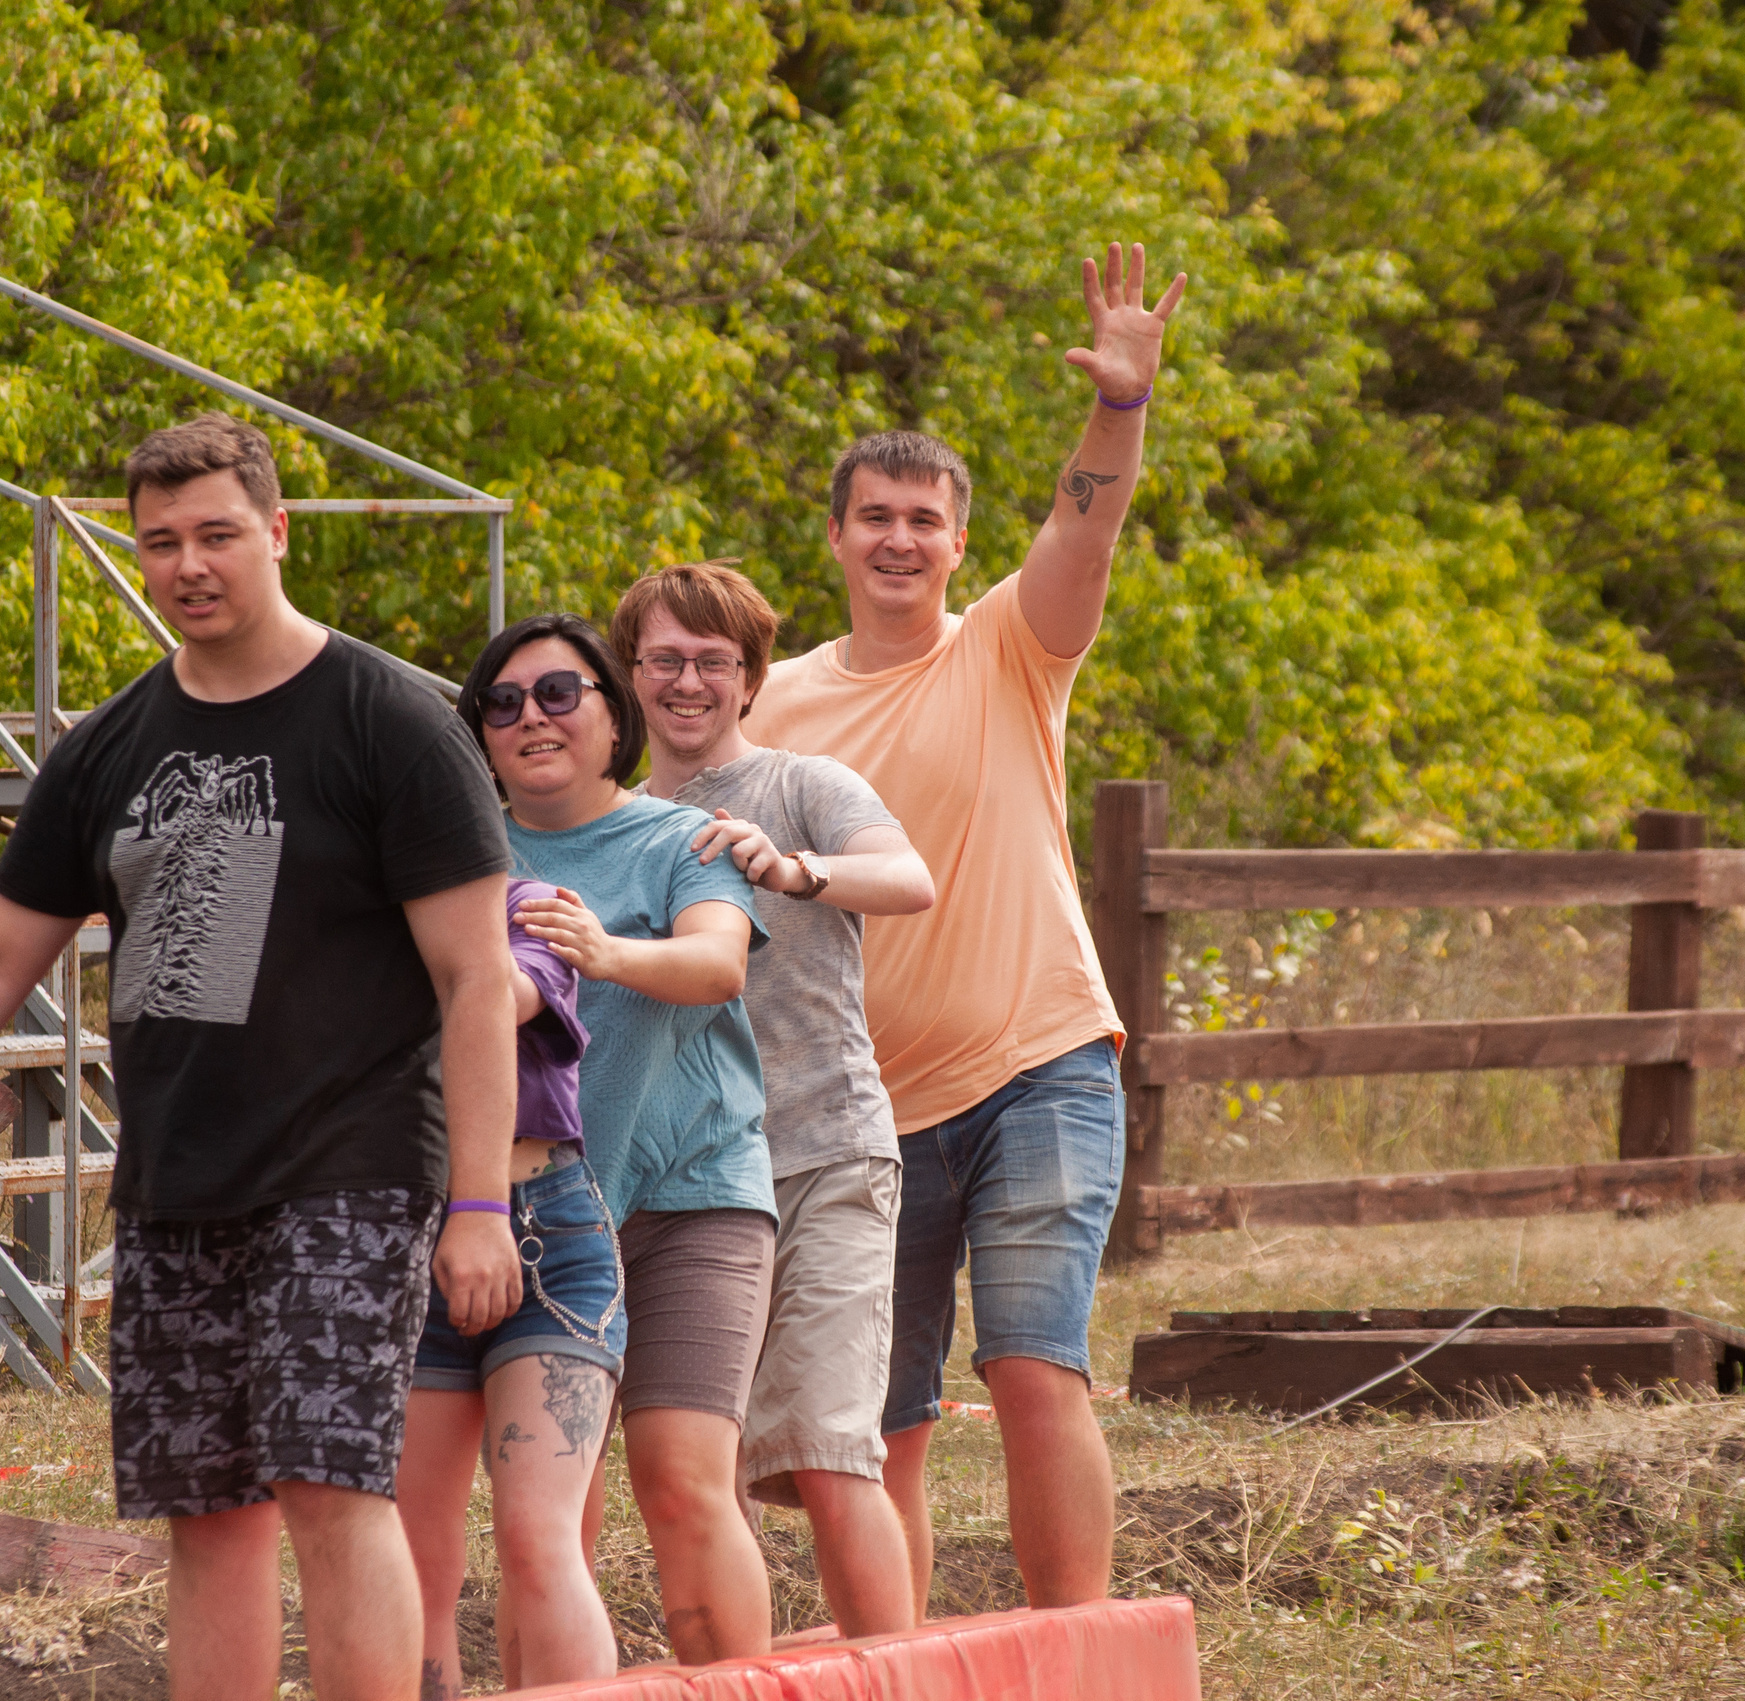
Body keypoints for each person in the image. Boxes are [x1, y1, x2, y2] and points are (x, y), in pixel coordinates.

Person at [0, 413, 521, 1701]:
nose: (190, 565)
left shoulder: (392, 722)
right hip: (178, 1180)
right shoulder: (109, 747)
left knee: (329, 1482)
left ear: (278, 530)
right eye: (161, 543)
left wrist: (478, 1205)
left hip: (352, 1170)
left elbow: (476, 980)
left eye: (218, 536)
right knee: (206, 1510)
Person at [753, 242, 1188, 1617]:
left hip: (1037, 1062)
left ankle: (1077, 1653)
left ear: (957, 540)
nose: (898, 539)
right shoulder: (770, 708)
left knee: (1033, 1364)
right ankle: (894, 1658)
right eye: (873, 515)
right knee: (880, 1423)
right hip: (860, 1109)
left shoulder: (1010, 644)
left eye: (925, 520)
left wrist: (1118, 407)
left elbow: (1088, 528)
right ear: (834, 535)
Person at [610, 560, 935, 1639]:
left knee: (834, 1454)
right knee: (707, 1472)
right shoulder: (614, 819)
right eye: (666, 659)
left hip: (826, 1153)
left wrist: (794, 869)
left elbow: (909, 879)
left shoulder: (805, 784)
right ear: (631, 674)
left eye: (714, 662)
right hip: (683, 1184)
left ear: (751, 680)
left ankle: (891, 1670)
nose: (689, 681)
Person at [456, 613, 777, 1665]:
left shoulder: (679, 837)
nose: (530, 719)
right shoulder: (456, 857)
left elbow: (718, 964)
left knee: (683, 1481)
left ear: (612, 715)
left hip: (686, 1197)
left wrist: (603, 949)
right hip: (530, 1207)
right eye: (502, 703)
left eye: (558, 694)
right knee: (546, 1512)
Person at [396, 876, 624, 1698]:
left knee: (536, 1534)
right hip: (403, 1234)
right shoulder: (345, 915)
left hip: (546, 1230)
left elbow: (488, 992)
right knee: (416, 1556)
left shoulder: (527, 902)